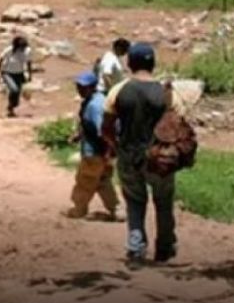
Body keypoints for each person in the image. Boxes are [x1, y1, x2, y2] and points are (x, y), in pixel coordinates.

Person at [101, 42, 176, 263]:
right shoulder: (166, 93)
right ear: (153, 63)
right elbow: (177, 125)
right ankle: (164, 248)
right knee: (163, 202)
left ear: (129, 63)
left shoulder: (119, 90)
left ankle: (136, 248)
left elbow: (105, 127)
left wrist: (115, 145)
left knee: (134, 202)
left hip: (129, 155)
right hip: (161, 157)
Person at [66, 71, 119, 219]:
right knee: (103, 180)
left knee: (85, 180)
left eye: (84, 87)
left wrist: (108, 150)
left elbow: (102, 130)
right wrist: (79, 135)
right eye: (78, 86)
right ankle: (115, 209)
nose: (80, 90)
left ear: (93, 87)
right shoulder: (96, 100)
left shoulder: (95, 105)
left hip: (95, 151)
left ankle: (79, 209)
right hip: (103, 150)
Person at [0, 36, 32, 117]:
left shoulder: (27, 51)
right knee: (14, 89)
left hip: (19, 74)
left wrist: (30, 75)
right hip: (7, 73)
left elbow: (29, 63)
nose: (22, 49)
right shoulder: (10, 50)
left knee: (17, 93)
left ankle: (11, 108)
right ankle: (10, 108)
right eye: (21, 48)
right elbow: (0, 59)